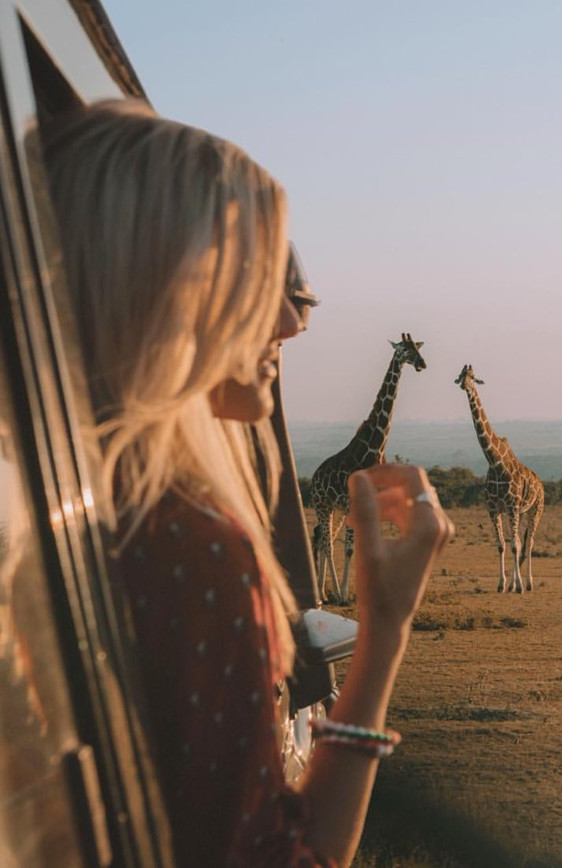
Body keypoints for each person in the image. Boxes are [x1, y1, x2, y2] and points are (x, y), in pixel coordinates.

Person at [40, 99, 454, 867]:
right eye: (245, 275)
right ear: (157, 286)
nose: (293, 324)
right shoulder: (190, 547)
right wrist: (386, 627)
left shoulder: (64, 509)